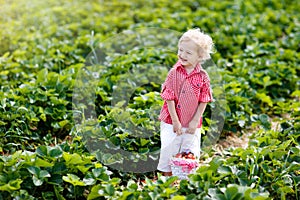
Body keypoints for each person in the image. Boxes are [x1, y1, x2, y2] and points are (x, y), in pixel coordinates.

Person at [157, 28, 214, 176]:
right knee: (169, 148)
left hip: (192, 122)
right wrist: (175, 121)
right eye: (180, 50)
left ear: (200, 56)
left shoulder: (203, 76)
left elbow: (204, 100)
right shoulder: (174, 73)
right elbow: (168, 98)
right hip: (171, 120)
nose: (182, 55)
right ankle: (166, 179)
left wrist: (195, 120)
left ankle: (184, 179)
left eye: (188, 53)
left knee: (189, 150)